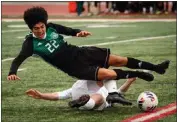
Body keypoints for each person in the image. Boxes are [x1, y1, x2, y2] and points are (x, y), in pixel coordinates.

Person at [7, 6, 170, 105]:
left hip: (81, 52)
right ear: (31, 29)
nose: (41, 30)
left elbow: (68, 30)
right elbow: (17, 60)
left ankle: (156, 68)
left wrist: (79, 33)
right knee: (108, 73)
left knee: (119, 60)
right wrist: (12, 72)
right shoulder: (30, 44)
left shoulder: (51, 27)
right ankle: (139, 75)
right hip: (74, 67)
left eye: (42, 26)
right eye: (37, 28)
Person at [26, 78, 137, 111]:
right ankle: (86, 103)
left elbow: (59, 95)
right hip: (95, 100)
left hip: (81, 93)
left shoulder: (107, 87)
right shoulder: (108, 89)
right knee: (100, 98)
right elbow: (119, 92)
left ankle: (84, 102)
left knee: (99, 97)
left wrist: (41, 96)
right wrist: (128, 82)